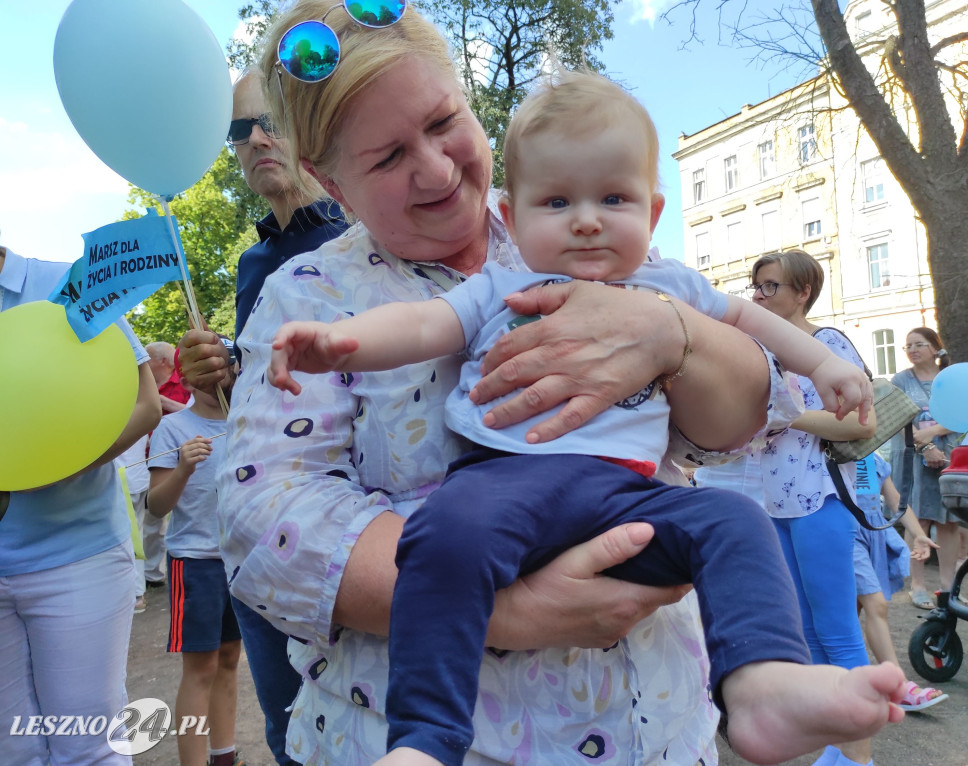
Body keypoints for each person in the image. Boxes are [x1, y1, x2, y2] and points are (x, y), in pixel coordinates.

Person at [218, 4, 877, 764]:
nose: (434, 169)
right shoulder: (316, 291)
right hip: (444, 717)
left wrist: (678, 336)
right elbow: (264, 520)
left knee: (735, 523)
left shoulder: (606, 242)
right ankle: (425, 742)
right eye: (389, 156)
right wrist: (505, 611)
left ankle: (762, 686)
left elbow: (737, 415)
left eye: (441, 123)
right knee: (449, 534)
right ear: (326, 177)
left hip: (653, 721)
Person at [176, 69, 351, 766]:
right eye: (237, 131)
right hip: (254, 533)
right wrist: (217, 373)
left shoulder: (365, 229)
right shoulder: (253, 264)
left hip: (344, 528)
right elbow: (251, 396)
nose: (254, 141)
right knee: (287, 735)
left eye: (268, 121)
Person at [0, 246, 161, 765]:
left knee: (88, 747)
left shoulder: (70, 283)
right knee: (12, 749)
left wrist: (53, 467)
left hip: (78, 557)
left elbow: (145, 404)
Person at [743, 249, 886, 766]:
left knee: (838, 633)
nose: (757, 296)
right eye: (755, 286)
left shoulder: (827, 344)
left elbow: (862, 426)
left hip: (821, 500)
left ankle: (858, 757)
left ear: (803, 292)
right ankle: (837, 749)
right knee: (806, 632)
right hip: (778, 503)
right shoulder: (765, 350)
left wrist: (785, 416)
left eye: (770, 286)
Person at [148, 377, 243, 766]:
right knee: (201, 666)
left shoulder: (246, 421)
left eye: (226, 370)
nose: (218, 381)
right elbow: (156, 505)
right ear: (186, 378)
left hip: (240, 562)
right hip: (195, 563)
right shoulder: (174, 428)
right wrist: (184, 468)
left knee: (230, 659)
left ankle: (224, 756)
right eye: (205, 374)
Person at [852, 454, 946, 712]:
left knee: (856, 609)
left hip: (872, 534)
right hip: (847, 534)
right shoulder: (830, 450)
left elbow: (895, 501)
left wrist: (918, 535)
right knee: (875, 604)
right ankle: (898, 687)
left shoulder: (875, 460)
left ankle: (847, 679)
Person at [889, 327, 964, 608]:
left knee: (949, 521)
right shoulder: (900, 380)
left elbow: (964, 414)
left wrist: (934, 434)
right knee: (917, 519)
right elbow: (897, 418)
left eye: (918, 344)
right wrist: (924, 446)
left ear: (935, 348)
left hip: (949, 457)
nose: (912, 350)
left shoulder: (951, 379)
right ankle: (917, 585)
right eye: (907, 346)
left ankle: (948, 588)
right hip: (912, 458)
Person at [113, 433, 153, 612]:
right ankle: (137, 591)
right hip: (138, 478)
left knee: (130, 538)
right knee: (136, 534)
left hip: (125, 481)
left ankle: (137, 593)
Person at [148, 340, 191, 414]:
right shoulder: (141, 383)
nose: (142, 364)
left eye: (147, 360)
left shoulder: (188, 382)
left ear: (163, 361)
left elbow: (202, 414)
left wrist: (164, 402)